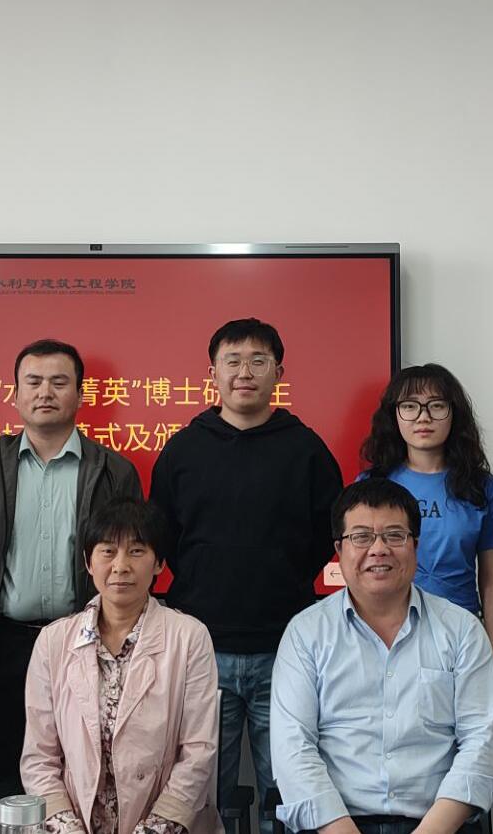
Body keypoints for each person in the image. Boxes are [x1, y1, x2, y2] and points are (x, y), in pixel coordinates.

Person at [151, 318, 343, 820]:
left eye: (258, 361)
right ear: (212, 372)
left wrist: (283, 574)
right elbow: (163, 536)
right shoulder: (184, 449)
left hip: (287, 647)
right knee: (201, 795)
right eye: (232, 361)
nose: (245, 372)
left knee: (290, 792)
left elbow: (329, 535)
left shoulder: (306, 449)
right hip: (202, 647)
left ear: (278, 371)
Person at [0, 339, 145, 784]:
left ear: (79, 395)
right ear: (16, 394)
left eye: (59, 382)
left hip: (88, 641)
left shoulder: (114, 472)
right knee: (5, 773)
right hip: (5, 645)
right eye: (34, 382)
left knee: (87, 770)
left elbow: (134, 563)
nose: (45, 392)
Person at [271, 478, 493, 834]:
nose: (378, 549)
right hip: (334, 825)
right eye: (361, 537)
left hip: (436, 825)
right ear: (339, 549)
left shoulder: (462, 632)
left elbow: (481, 746)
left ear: (416, 546)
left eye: (395, 536)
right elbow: (293, 751)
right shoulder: (305, 634)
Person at [23, 499, 223, 834]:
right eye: (107, 551)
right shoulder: (53, 642)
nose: (120, 566)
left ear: (159, 563)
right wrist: (68, 829)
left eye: (136, 551)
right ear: (88, 562)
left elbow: (198, 752)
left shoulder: (189, 637)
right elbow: (39, 759)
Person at [357, 363, 493, 692]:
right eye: (410, 406)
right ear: (394, 415)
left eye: (436, 406)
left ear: (454, 413)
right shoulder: (372, 485)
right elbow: (355, 568)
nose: (423, 417)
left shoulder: (479, 487)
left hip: (459, 634)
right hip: (383, 636)